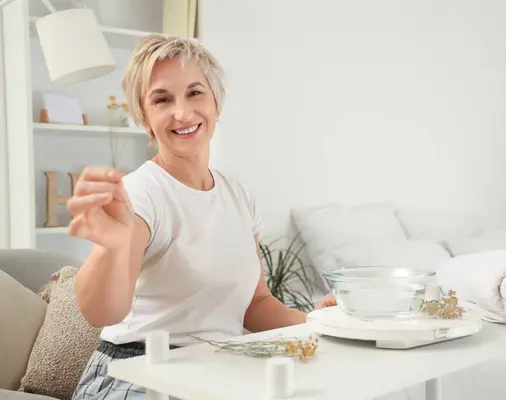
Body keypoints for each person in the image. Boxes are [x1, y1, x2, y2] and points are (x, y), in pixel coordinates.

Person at [69, 35, 336, 399]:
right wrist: (111, 248)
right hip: (139, 372)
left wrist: (319, 323)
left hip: (214, 371)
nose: (182, 112)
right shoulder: (142, 193)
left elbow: (255, 307)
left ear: (216, 103)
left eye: (195, 93)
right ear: (145, 117)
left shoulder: (237, 196)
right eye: (162, 99)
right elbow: (101, 311)